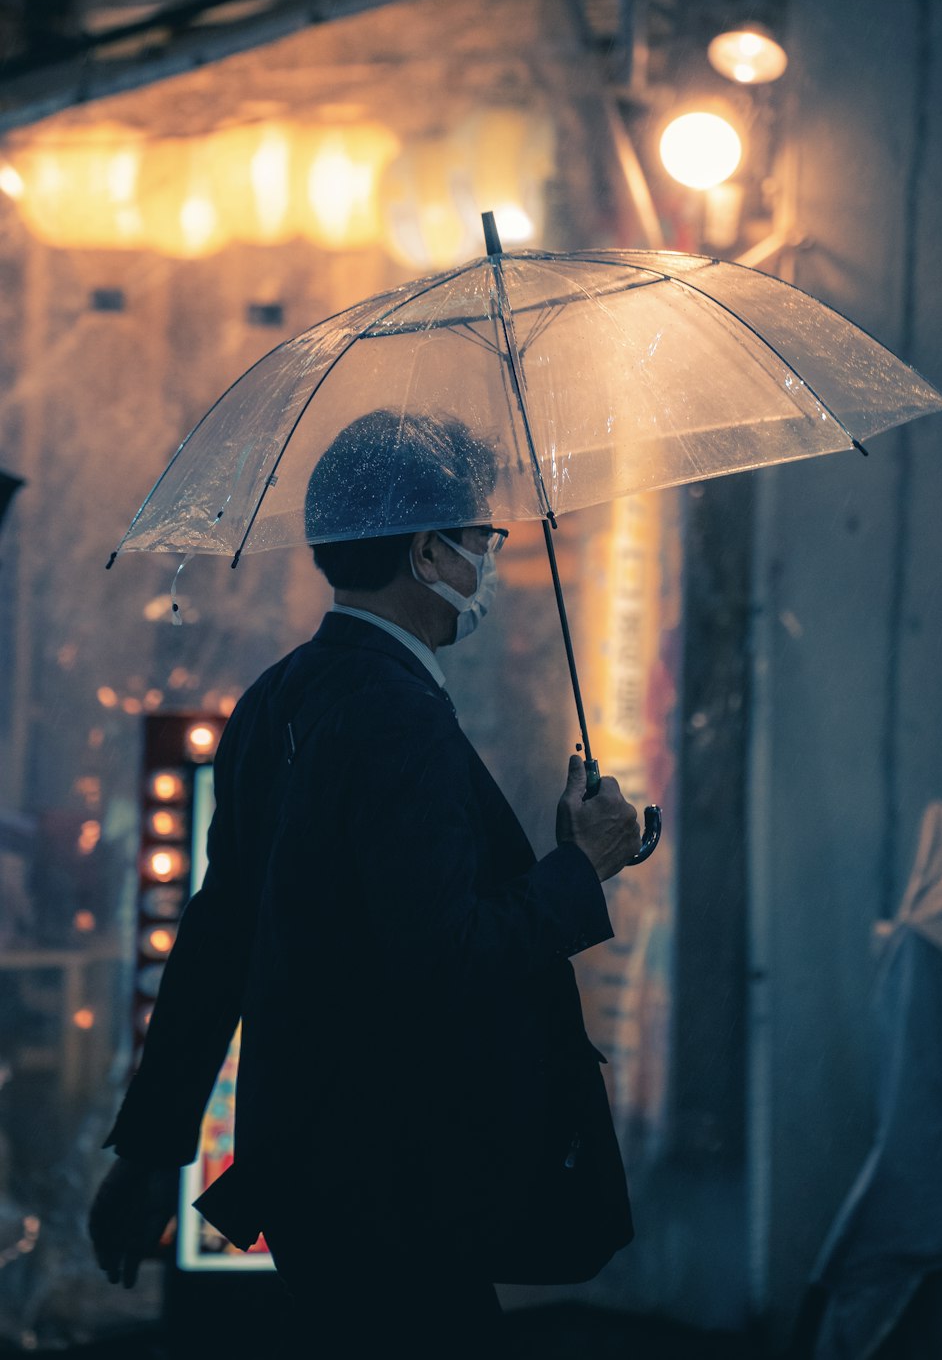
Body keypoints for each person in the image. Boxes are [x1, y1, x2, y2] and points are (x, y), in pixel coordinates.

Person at [89, 410, 643, 1357]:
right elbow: (446, 959)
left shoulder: (282, 695)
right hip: (399, 1174)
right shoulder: (399, 719)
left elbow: (220, 935)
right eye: (481, 539)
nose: (490, 564)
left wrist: (150, 1150)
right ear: (428, 552)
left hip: (315, 1169)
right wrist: (580, 868)